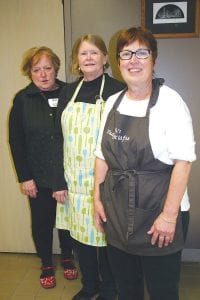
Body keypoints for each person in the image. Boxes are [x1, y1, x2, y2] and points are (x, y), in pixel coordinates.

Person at [94, 27, 196, 300]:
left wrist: (169, 216)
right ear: (118, 61)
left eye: (142, 52)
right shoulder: (112, 103)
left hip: (159, 214)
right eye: (126, 54)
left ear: (154, 60)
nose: (133, 60)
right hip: (117, 212)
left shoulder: (171, 103)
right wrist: (96, 199)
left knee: (163, 291)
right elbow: (101, 156)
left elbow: (183, 162)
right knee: (127, 288)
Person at [54, 34, 138, 300]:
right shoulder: (68, 91)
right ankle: (90, 285)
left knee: (107, 239)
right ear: (76, 61)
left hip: (106, 181)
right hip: (74, 182)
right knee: (81, 236)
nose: (88, 58)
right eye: (83, 54)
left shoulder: (117, 90)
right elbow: (58, 137)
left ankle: (110, 287)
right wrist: (59, 180)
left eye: (94, 53)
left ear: (105, 58)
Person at [9, 46, 78, 289]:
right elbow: (15, 140)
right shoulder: (22, 99)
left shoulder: (71, 93)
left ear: (56, 68)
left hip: (68, 173)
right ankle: (47, 263)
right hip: (37, 176)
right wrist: (25, 177)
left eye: (47, 68)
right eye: (36, 69)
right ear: (29, 72)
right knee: (42, 222)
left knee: (68, 221)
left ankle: (68, 257)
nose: (43, 74)